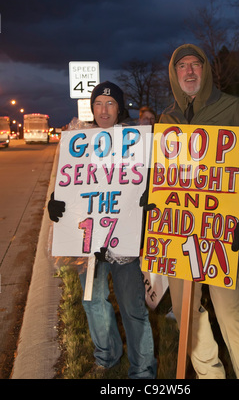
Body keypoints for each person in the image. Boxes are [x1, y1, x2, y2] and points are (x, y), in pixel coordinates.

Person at [159, 44, 239, 379]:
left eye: (196, 64)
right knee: (185, 313)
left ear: (206, 70)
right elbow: (162, 177)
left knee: (229, 314)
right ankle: (209, 373)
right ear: (174, 74)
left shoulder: (236, 110)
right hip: (180, 234)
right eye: (182, 66)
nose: (189, 71)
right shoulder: (167, 120)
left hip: (221, 233)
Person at [48, 81, 157, 379]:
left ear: (119, 108)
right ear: (92, 108)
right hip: (89, 241)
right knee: (92, 302)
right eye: (98, 103)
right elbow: (69, 183)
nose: (103, 109)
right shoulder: (79, 140)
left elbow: (146, 182)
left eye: (110, 103)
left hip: (124, 238)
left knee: (133, 308)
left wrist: (148, 196)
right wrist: (54, 203)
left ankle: (143, 371)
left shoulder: (134, 141)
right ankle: (107, 357)